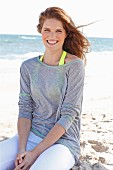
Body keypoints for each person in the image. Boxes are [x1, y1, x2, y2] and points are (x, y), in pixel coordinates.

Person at [0, 7, 89, 170]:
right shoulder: (28, 66)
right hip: (30, 136)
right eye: (47, 30)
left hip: (63, 142)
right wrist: (22, 149)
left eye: (58, 31)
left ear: (66, 34)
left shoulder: (74, 66)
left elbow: (69, 114)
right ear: (40, 31)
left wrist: (34, 154)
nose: (52, 36)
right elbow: (25, 109)